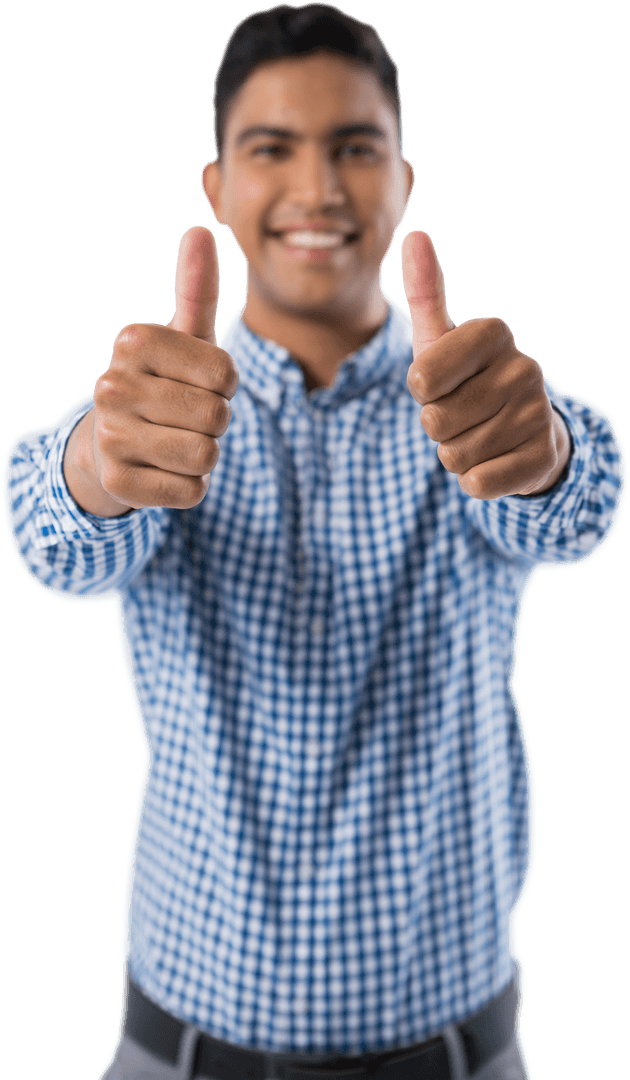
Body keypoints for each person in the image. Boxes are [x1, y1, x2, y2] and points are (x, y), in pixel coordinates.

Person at [4, 3, 625, 1078]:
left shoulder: (471, 407)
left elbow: (579, 506)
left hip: (460, 1056)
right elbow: (52, 542)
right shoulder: (163, 415)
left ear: (405, 180)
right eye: (272, 148)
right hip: (176, 1055)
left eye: (355, 148)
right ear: (216, 188)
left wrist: (547, 449)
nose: (319, 188)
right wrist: (98, 461)